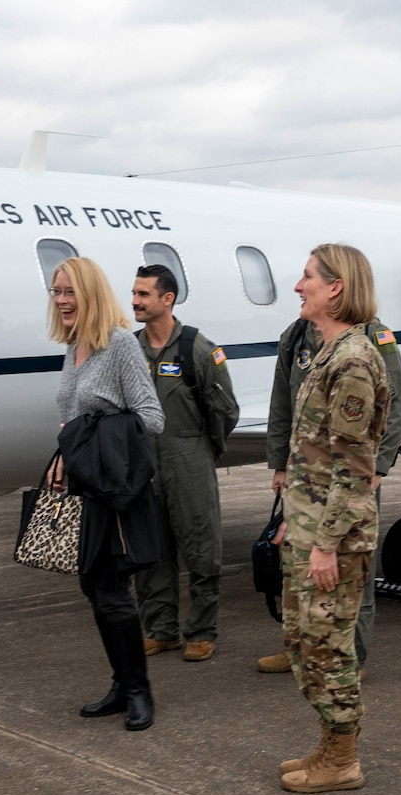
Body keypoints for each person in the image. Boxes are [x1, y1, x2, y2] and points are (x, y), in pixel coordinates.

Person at [275, 244, 390, 793]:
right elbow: (311, 458)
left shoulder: (352, 361)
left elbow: (352, 469)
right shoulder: (327, 354)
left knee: (329, 646)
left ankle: (343, 758)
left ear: (336, 288)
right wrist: (292, 522)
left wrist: (324, 544)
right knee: (303, 641)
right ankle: (328, 742)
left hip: (336, 539)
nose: (299, 286)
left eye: (307, 277)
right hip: (310, 527)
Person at [256, 295, 401, 674]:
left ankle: (351, 657)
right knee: (297, 564)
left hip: (352, 473)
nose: (298, 288)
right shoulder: (294, 337)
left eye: (308, 280)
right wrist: (280, 464)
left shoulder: (372, 337)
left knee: (353, 566)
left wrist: (379, 467)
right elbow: (282, 405)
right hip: (305, 476)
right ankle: (300, 650)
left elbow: (397, 403)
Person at [46, 255, 166, 731]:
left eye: (69, 291)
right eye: (56, 292)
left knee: (114, 592)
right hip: (83, 487)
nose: (61, 300)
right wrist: (62, 455)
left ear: (91, 293)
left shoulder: (119, 344)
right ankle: (121, 684)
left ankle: (140, 691)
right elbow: (71, 422)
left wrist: (91, 433)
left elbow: (151, 417)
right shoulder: (74, 347)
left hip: (115, 490)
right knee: (94, 590)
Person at [130, 263, 238, 662]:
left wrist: (203, 450)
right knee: (150, 550)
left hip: (188, 456)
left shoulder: (198, 349)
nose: (135, 301)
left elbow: (225, 410)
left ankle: (202, 630)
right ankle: (161, 630)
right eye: (135, 293)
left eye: (143, 294)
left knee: (200, 547)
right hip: (144, 462)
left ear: (167, 299)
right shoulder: (129, 348)